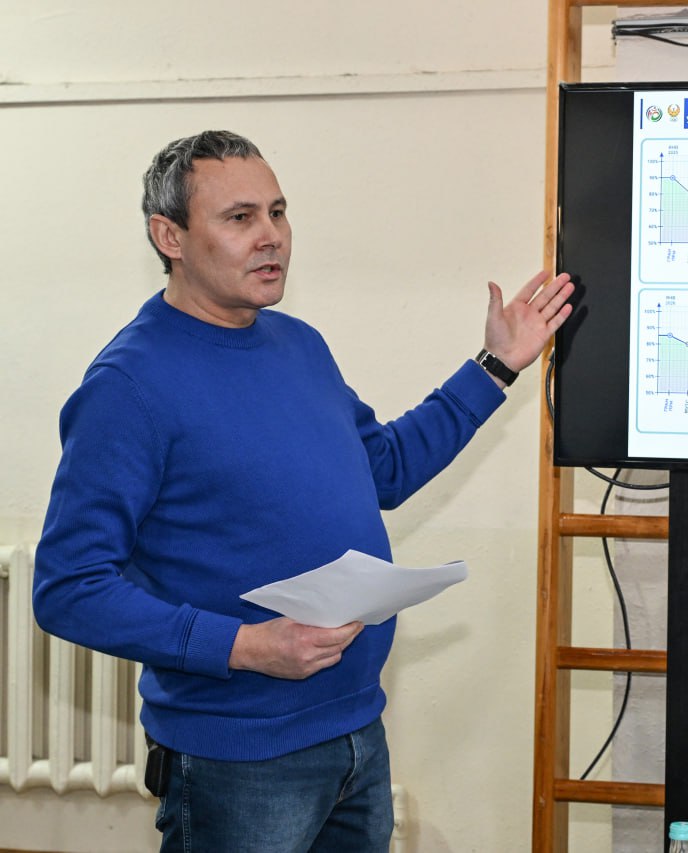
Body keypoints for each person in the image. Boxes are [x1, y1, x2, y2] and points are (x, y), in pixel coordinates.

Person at [31, 130, 572, 851]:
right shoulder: (128, 386)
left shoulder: (299, 344)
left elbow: (384, 468)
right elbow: (68, 588)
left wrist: (495, 366)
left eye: (278, 212)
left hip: (356, 736)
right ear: (170, 237)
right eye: (240, 218)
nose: (272, 237)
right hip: (238, 761)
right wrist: (246, 645)